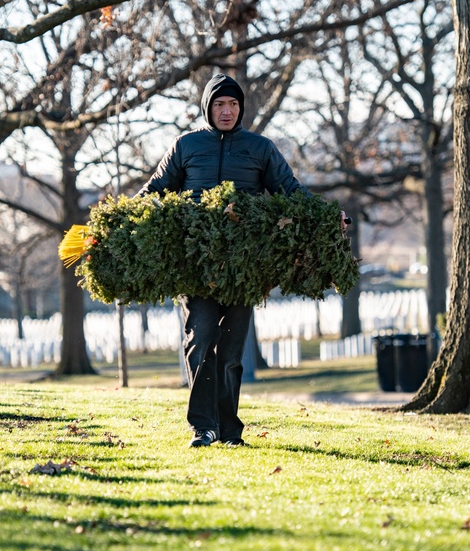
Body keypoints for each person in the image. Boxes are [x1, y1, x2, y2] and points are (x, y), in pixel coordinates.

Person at [139, 73, 328, 448]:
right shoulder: (186, 145)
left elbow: (290, 190)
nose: (226, 111)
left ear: (241, 108)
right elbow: (155, 188)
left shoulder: (260, 149)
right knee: (201, 339)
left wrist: (327, 214)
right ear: (207, 107)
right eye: (219, 104)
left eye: (233, 104)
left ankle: (229, 431)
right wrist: (121, 216)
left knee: (230, 351)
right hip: (197, 264)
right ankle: (203, 427)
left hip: (245, 266)